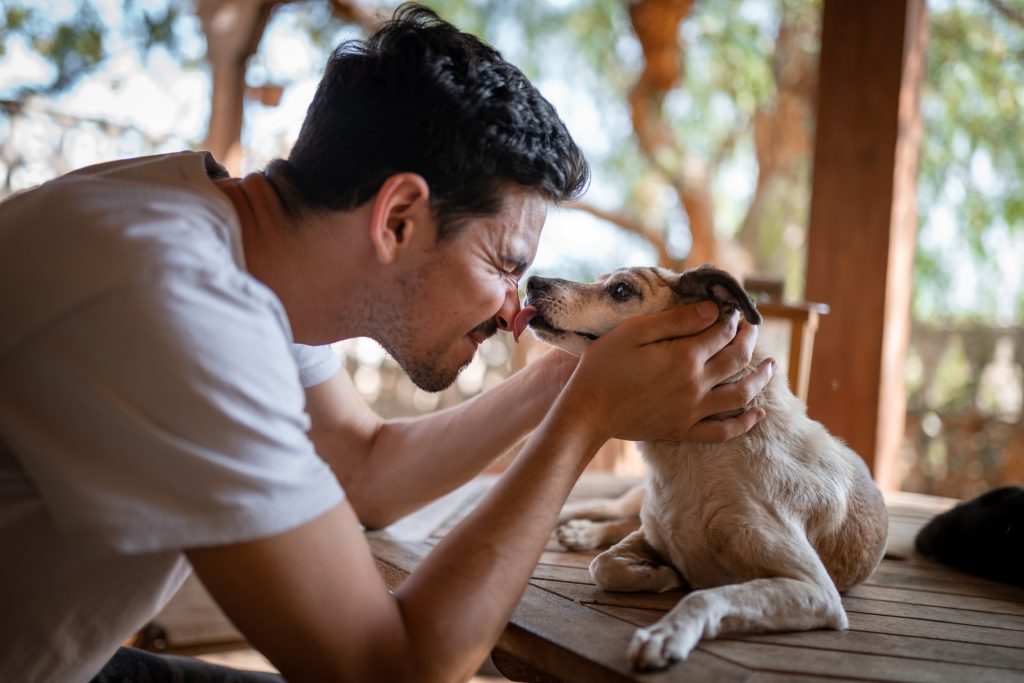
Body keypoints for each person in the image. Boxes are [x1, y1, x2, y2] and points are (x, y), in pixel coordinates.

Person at [0, 5, 773, 682]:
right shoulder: (175, 300)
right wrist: (587, 418)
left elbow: (363, 469)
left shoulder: (227, 242)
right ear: (399, 215)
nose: (516, 306)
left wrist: (573, 376)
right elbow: (386, 666)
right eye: (506, 265)